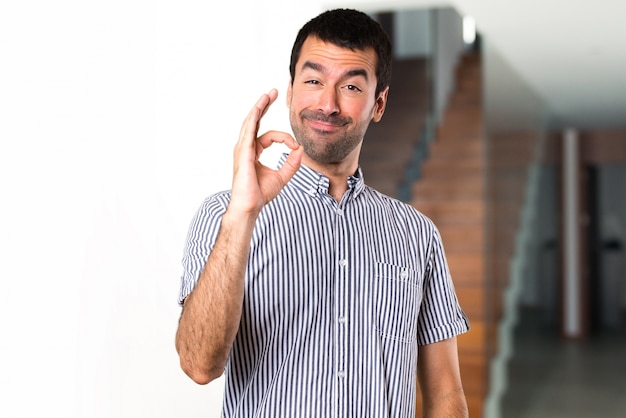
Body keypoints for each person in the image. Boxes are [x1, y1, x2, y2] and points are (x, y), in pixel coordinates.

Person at [175, 8, 470, 417]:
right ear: (292, 91)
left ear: (378, 104)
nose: (327, 104)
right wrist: (244, 213)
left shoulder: (416, 233)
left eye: (350, 86)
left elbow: (446, 394)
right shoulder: (224, 215)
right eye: (313, 81)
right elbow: (198, 365)